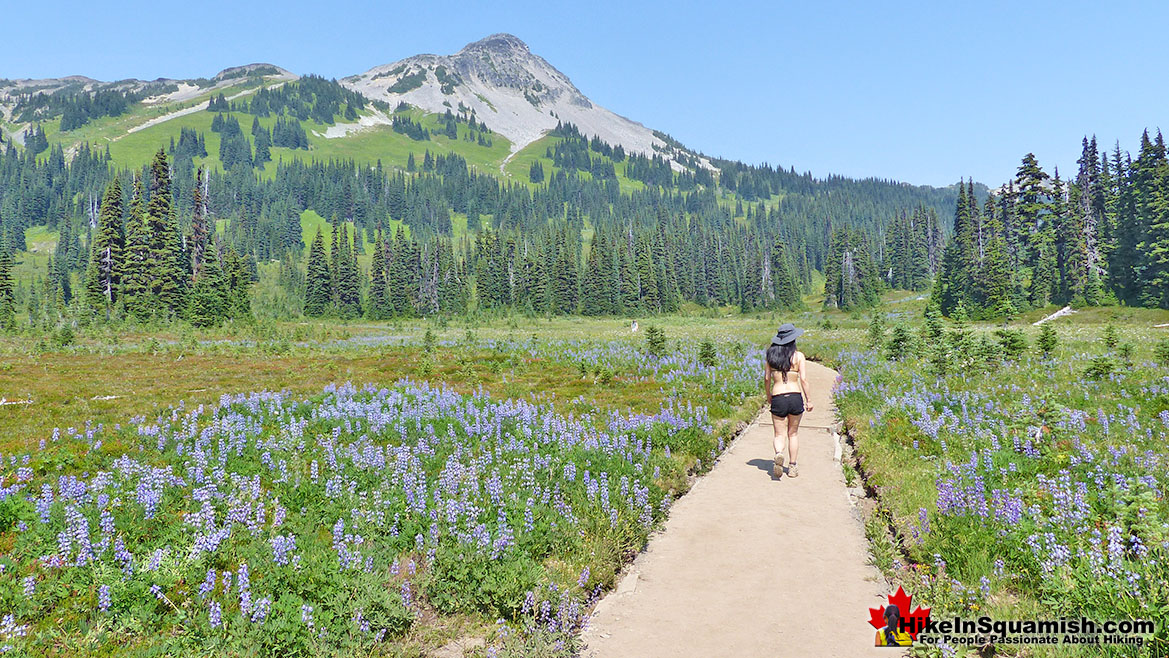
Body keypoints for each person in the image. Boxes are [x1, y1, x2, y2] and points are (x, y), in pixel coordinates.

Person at [764, 323, 812, 479]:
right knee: (793, 433)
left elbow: (766, 379)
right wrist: (808, 400)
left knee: (779, 434)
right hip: (795, 396)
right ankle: (792, 466)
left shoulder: (770, 355)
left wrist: (768, 396)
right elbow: (803, 380)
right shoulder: (798, 356)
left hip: (778, 396)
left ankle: (779, 453)